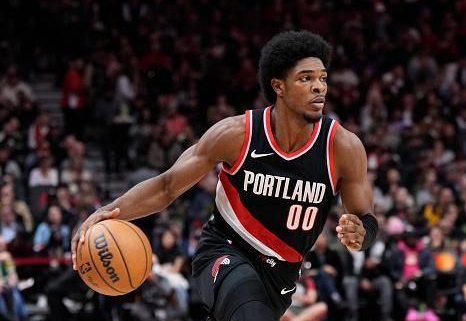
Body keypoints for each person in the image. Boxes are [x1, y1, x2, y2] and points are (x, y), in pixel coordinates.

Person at [71, 31, 378, 321]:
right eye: (306, 78)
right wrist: (106, 212)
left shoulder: (343, 148)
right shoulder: (237, 134)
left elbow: (366, 221)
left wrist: (361, 234)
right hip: (224, 250)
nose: (319, 87)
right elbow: (167, 186)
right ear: (279, 86)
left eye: (322, 78)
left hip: (281, 275)